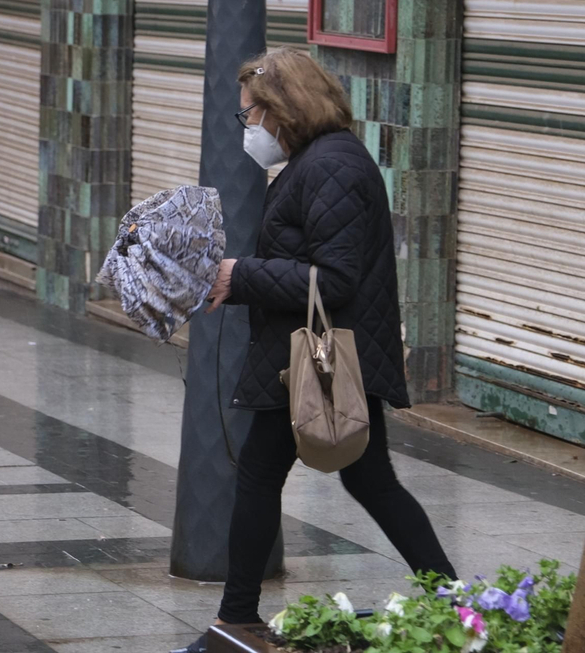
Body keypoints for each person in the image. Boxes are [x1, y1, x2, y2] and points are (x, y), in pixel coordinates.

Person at [185, 47, 454, 651]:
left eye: (249, 114)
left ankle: (237, 617)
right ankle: (455, 602)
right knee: (362, 481)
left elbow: (333, 280)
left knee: (273, 475)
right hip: (316, 356)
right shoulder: (319, 161)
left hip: (318, 359)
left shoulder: (330, 166)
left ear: (283, 108)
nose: (247, 126)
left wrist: (240, 275)